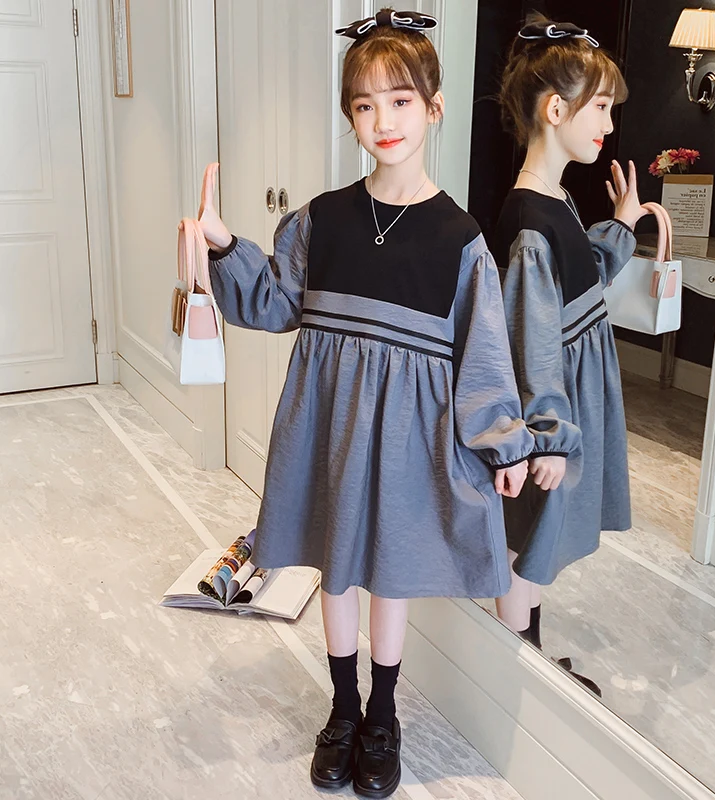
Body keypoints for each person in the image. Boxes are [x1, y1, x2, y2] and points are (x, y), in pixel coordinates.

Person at [192, 9, 533, 797]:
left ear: (434, 107)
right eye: (365, 104)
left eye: (401, 100)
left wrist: (505, 442)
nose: (384, 120)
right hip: (330, 428)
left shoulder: (459, 239)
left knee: (390, 576)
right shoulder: (322, 218)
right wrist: (223, 245)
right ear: (350, 115)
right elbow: (276, 302)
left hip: (410, 442)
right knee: (337, 570)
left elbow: (482, 356)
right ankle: (343, 708)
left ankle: (383, 713)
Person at [491, 15, 647, 695]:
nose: (608, 123)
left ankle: (525, 661)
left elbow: (580, 281)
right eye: (601, 107)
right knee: (528, 540)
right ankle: (514, 676)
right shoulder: (530, 223)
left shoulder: (554, 199)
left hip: (572, 400)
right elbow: (532, 343)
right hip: (555, 411)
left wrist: (621, 225)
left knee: (539, 537)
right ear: (556, 111)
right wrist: (549, 435)